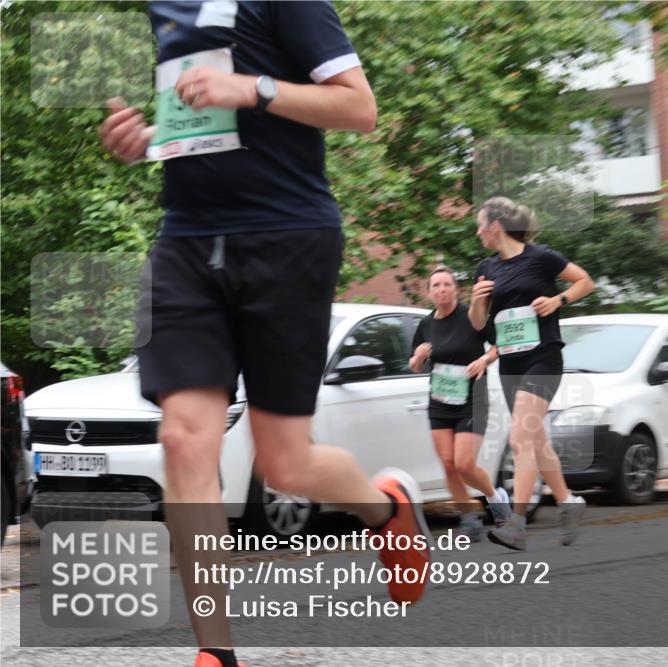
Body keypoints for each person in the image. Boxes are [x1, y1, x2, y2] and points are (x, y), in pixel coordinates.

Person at [99, 3, 429, 666]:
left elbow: (359, 107)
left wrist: (253, 88)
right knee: (183, 437)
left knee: (285, 465)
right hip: (187, 241)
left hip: (288, 235)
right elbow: (205, 125)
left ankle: (386, 508)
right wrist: (148, 138)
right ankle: (216, 654)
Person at [468, 196, 595, 550]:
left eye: (480, 226)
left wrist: (558, 300)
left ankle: (517, 524)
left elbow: (585, 281)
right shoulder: (487, 268)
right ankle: (568, 502)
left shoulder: (541, 258)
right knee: (535, 442)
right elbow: (478, 324)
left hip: (543, 358)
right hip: (510, 363)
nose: (478, 233)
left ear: (495, 226)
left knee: (520, 440)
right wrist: (476, 301)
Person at [409, 265, 514, 541]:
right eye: (436, 285)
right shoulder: (426, 324)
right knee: (448, 464)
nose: (441, 289)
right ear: (429, 292)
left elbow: (500, 344)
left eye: (447, 284)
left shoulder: (471, 316)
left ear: (456, 289)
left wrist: (484, 360)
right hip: (440, 401)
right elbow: (415, 364)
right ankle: (469, 519)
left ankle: (496, 499)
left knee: (464, 464)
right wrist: (419, 357)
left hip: (472, 399)